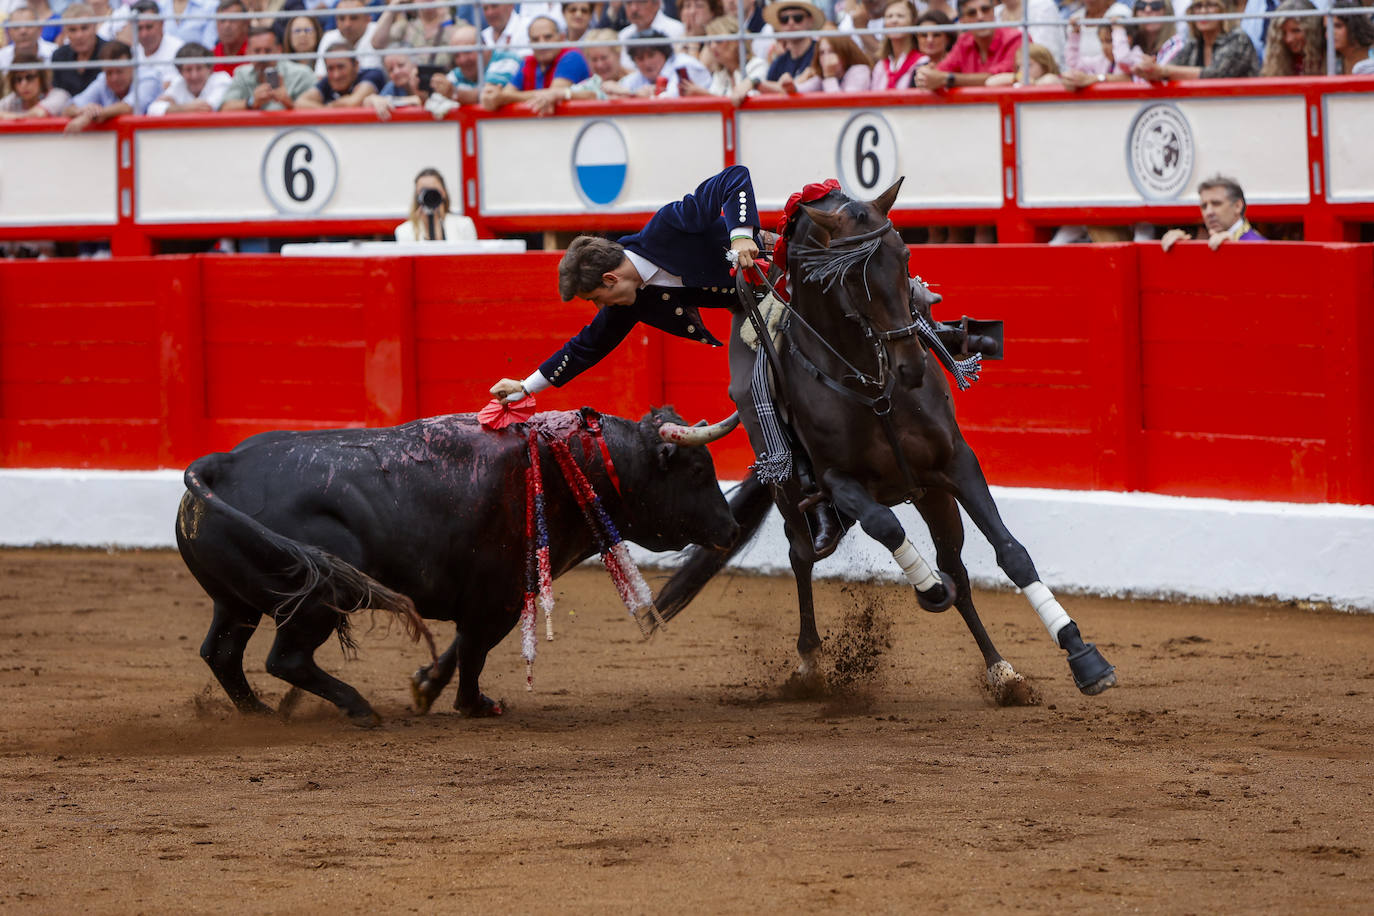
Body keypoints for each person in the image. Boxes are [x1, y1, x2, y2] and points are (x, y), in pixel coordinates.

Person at [480, 14, 589, 109]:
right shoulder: (528, 61)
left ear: (562, 38)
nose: (542, 44)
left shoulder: (572, 56)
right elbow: (506, 94)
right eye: (535, 39)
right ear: (529, 43)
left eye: (548, 37)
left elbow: (552, 95)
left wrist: (504, 98)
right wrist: (493, 97)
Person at [1134, 0, 1260, 79]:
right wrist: (1149, 69)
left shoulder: (1238, 38)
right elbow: (1170, 68)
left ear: (1224, 10)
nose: (1203, 11)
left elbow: (1214, 75)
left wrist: (1162, 70)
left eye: (1210, 5)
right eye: (1198, 6)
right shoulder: (1194, 42)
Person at [914, 0, 1022, 88]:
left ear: (993, 12)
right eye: (972, 13)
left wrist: (946, 79)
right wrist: (925, 75)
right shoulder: (964, 41)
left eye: (985, 10)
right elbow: (941, 71)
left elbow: (998, 78)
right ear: (962, 21)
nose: (980, 17)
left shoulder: (1015, 38)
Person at [63, 39, 162, 128]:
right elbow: (69, 108)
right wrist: (83, 111)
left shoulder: (149, 78)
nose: (114, 78)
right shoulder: (102, 79)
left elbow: (128, 108)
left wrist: (91, 116)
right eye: (109, 73)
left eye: (119, 71)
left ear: (132, 67)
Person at [219, 24, 317, 109]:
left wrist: (290, 103)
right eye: (257, 51)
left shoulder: (301, 74)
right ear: (247, 52)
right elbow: (224, 108)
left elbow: (321, 106)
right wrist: (251, 102)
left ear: (278, 50)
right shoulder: (242, 74)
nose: (262, 56)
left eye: (268, 50)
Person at [1161, 174, 1265, 251]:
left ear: (1237, 206)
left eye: (1216, 203)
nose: (1208, 212)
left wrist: (1234, 250)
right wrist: (1180, 248)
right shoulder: (1205, 242)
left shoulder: (1258, 245)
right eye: (1204, 206)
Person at [755, 1, 822, 94]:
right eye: (784, 19)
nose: (790, 22)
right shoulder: (778, 63)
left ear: (810, 21)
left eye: (798, 18)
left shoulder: (822, 53)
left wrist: (752, 83)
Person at [394, 168, 477, 241]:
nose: (429, 194)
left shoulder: (464, 225)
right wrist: (423, 227)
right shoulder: (404, 231)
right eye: (424, 190)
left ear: (443, 192)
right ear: (417, 196)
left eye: (434, 189)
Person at [619, 27, 709, 94]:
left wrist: (632, 94)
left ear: (664, 53)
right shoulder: (639, 76)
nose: (647, 63)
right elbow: (621, 87)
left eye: (651, 55)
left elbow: (672, 100)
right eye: (640, 58)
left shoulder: (684, 65)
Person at [147, 40, 230, 111]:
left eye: (199, 68)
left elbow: (207, 108)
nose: (194, 76)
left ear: (210, 69)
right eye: (188, 70)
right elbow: (153, 109)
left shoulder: (221, 79)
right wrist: (188, 107)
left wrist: (175, 107)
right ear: (180, 72)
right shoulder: (179, 82)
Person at [375, 0, 459, 69]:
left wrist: (445, 18)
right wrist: (394, 5)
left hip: (445, 81)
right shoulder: (406, 26)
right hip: (411, 82)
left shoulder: (454, 23)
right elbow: (377, 43)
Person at [300, 39, 386, 106]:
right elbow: (300, 103)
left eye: (341, 67)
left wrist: (327, 107)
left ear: (356, 65)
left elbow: (353, 103)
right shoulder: (328, 80)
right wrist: (329, 109)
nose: (336, 75)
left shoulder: (373, 75)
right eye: (330, 68)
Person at [698, 14, 765, 100]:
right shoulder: (720, 74)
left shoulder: (757, 65)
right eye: (709, 42)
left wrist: (704, 94)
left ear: (736, 41)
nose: (712, 46)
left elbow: (746, 100)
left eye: (718, 41)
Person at [315, 0, 383, 76]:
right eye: (341, 18)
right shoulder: (329, 38)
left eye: (353, 18)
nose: (347, 24)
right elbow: (320, 76)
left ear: (368, 19)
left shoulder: (378, 32)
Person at [50, 3, 106, 95]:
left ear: (95, 27)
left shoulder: (110, 52)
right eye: (72, 30)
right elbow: (58, 94)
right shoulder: (59, 56)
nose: (79, 35)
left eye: (84, 28)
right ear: (65, 32)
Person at [129, 0, 185, 90]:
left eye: (149, 27)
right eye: (139, 28)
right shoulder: (133, 52)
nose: (144, 34)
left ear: (161, 24)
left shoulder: (178, 49)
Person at [1259, 0, 1324, 75]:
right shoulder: (1278, 60)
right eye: (1283, 33)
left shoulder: (1329, 58)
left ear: (1313, 30)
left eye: (1296, 30)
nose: (1288, 39)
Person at [796, 30, 873, 92]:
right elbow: (799, 91)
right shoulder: (822, 76)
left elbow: (844, 106)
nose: (826, 57)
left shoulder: (860, 70)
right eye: (822, 53)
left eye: (832, 52)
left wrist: (830, 76)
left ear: (845, 52)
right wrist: (793, 83)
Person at [870, 0, 921, 90]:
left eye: (900, 16)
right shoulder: (880, 66)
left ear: (913, 22)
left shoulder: (921, 62)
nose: (894, 21)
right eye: (889, 16)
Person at [995, 0, 1064, 67]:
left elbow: (1048, 56)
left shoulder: (1042, 5)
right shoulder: (994, 12)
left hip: (1040, 73)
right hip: (1008, 71)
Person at [0, 50, 69, 117]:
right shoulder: (12, 100)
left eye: (29, 78)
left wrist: (8, 116)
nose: (23, 84)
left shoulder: (59, 95)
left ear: (42, 78)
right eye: (18, 79)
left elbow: (38, 114)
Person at [618, 0, 684, 69]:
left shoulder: (676, 30)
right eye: (628, 3)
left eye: (641, 2)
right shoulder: (623, 35)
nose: (634, 8)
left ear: (657, 4)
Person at [430, 22, 484, 102]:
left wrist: (452, 92)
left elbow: (485, 96)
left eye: (467, 52)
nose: (462, 60)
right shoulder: (456, 74)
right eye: (456, 55)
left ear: (483, 48)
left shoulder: (499, 63)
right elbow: (436, 97)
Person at [1330, 0, 1374, 74]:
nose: (1330, 33)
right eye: (1326, 28)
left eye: (1338, 26)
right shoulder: (1333, 64)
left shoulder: (1371, 62)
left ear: (1355, 26)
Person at [212, 0, 249, 73]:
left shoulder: (257, 53)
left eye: (233, 20)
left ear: (246, 23)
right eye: (222, 20)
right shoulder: (211, 57)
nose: (227, 26)